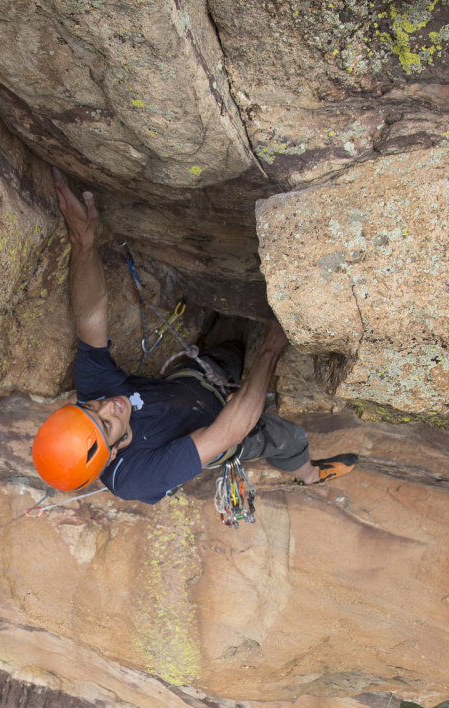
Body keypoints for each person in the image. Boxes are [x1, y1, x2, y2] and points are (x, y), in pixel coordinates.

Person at [31, 170, 356, 505]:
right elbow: (230, 431)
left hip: (195, 379)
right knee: (288, 438)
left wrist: (83, 243)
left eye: (91, 407)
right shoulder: (136, 477)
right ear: (112, 455)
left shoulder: (97, 391)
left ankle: (233, 358)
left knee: (231, 347)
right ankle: (310, 475)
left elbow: (89, 316)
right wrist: (271, 347)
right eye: (107, 424)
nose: (109, 406)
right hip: (216, 427)